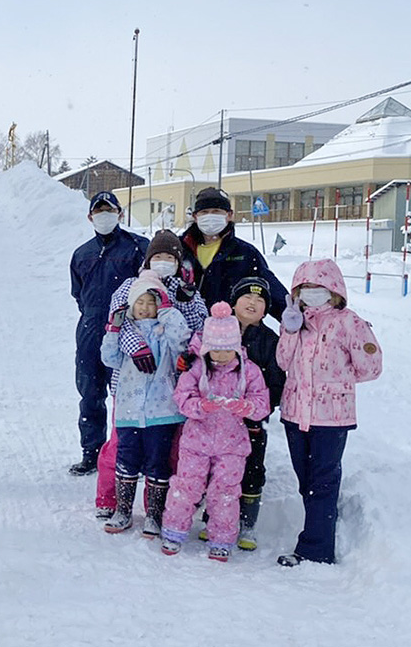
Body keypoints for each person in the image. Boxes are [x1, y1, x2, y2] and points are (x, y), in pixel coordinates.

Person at [275, 259, 382, 567]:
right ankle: (319, 530)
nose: (312, 293)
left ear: (333, 290)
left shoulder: (349, 322)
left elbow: (371, 367)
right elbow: (283, 362)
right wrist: (290, 329)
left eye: (318, 287)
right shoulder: (295, 320)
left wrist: (337, 383)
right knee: (305, 480)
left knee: (322, 481)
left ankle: (315, 549)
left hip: (331, 418)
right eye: (305, 288)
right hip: (295, 413)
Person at [94, 230, 207, 519]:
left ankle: (158, 510)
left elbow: (196, 331)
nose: (163, 262)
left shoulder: (184, 290)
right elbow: (119, 319)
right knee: (121, 446)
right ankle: (110, 499)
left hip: (168, 385)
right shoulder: (132, 285)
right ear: (148, 259)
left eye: (170, 257)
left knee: (166, 451)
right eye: (158, 257)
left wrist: (188, 302)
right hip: (130, 382)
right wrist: (136, 347)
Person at [160, 302, 270, 562]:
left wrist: (247, 407)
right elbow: (182, 398)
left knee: (226, 491)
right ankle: (174, 530)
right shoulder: (197, 369)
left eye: (226, 350)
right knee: (186, 487)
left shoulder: (249, 372)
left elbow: (262, 404)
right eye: (215, 350)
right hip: (196, 442)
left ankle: (221, 538)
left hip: (232, 445)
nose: (221, 356)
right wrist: (199, 406)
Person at [99, 272, 190, 537]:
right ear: (131, 305)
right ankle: (123, 510)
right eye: (140, 302)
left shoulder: (165, 331)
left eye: (151, 302)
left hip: (162, 413)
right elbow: (109, 359)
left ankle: (154, 515)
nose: (145, 307)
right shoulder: (127, 334)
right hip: (128, 410)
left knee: (157, 462)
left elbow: (181, 339)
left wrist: (168, 311)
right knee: (126, 459)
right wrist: (113, 330)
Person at [69, 191, 148, 475]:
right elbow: (78, 294)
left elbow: (149, 287)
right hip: (90, 330)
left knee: (129, 394)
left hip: (127, 329)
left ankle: (130, 455)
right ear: (90, 217)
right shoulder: (82, 253)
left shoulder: (138, 247)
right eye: (99, 211)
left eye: (109, 210)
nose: (104, 215)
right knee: (90, 392)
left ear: (120, 214)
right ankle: (92, 452)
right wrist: (95, 315)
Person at [228, 276, 286, 551]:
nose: (253, 303)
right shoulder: (218, 331)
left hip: (251, 422)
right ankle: (216, 516)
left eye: (260, 300)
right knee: (220, 471)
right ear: (233, 302)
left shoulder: (270, 341)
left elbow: (276, 383)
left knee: (252, 470)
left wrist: (260, 409)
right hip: (219, 421)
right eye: (247, 298)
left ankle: (247, 523)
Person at [179, 187, 287, 320]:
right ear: (195, 217)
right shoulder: (179, 249)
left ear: (229, 215)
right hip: (184, 331)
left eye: (216, 211)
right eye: (204, 212)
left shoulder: (245, 253)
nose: (210, 216)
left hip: (230, 332)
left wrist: (291, 318)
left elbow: (271, 289)